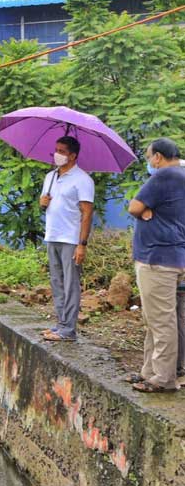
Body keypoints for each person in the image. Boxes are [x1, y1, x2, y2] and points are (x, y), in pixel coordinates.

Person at [127, 138, 185, 392]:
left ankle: (163, 378)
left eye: (150, 157)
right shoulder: (181, 175)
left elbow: (134, 206)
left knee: (161, 322)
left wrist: (143, 210)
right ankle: (149, 371)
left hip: (157, 260)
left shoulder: (164, 177)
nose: (149, 162)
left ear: (158, 157)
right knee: (156, 318)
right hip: (173, 257)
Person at [39, 136, 95, 342]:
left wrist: (82, 244)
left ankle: (68, 330)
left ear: (73, 155)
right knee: (57, 282)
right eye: (56, 149)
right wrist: (42, 202)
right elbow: (45, 204)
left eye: (62, 151)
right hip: (52, 235)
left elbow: (87, 213)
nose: (57, 154)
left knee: (70, 284)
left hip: (71, 239)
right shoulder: (50, 177)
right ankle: (60, 324)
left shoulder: (83, 180)